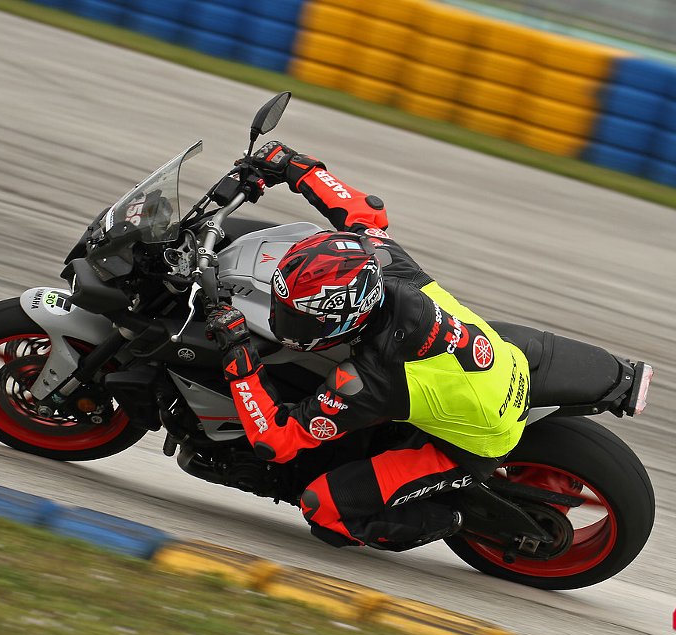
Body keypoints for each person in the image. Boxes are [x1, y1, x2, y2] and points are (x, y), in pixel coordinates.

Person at [204, 141, 530, 552]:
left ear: (345, 317)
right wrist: (295, 168)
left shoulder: (369, 378)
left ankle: (453, 518)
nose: (283, 320)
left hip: (474, 443)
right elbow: (362, 213)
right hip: (499, 367)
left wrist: (238, 355)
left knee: (322, 509)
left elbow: (276, 441)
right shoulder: (387, 263)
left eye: (302, 316)